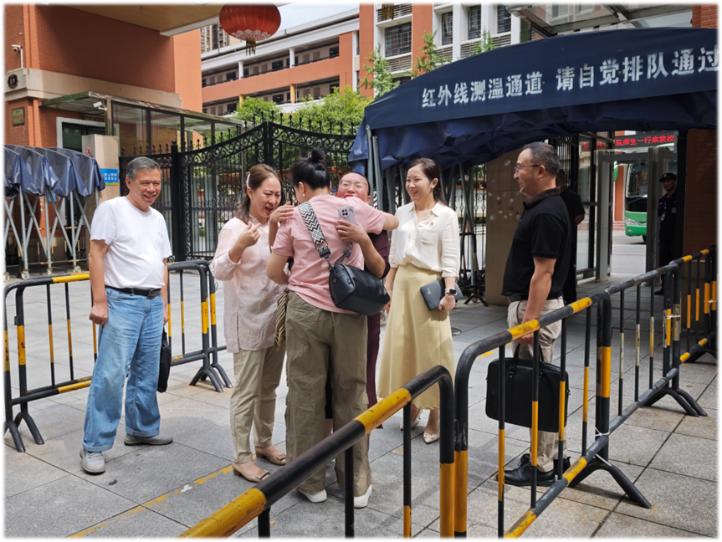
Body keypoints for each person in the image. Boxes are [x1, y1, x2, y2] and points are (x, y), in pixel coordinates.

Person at [266, 149, 398, 508]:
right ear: (330, 183)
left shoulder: (294, 215)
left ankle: (310, 482)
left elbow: (274, 271)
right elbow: (393, 222)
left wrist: (300, 281)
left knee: (305, 393)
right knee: (352, 393)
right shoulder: (354, 209)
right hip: (350, 310)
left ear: (301, 187)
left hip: (305, 313)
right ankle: (355, 483)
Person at [81, 157, 173, 475]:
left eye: (156, 183)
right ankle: (94, 445)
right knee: (110, 375)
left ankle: (141, 429)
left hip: (152, 303)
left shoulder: (157, 218)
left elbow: (162, 262)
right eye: (145, 182)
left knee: (147, 371)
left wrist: (164, 304)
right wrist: (99, 301)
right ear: (129, 181)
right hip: (121, 301)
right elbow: (96, 254)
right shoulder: (111, 209)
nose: (151, 189)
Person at [210, 165, 292, 483]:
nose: (272, 200)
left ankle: (264, 442)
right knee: (246, 391)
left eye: (277, 194)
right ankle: (241, 457)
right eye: (266, 194)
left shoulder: (279, 225)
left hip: (275, 320)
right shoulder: (235, 227)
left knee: (269, 388)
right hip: (247, 320)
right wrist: (239, 246)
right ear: (250, 192)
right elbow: (218, 270)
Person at [502, 142, 571, 487]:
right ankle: (553, 454)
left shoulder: (545, 212)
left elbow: (543, 273)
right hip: (537, 308)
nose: (515, 174)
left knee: (537, 389)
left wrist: (529, 321)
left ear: (540, 171)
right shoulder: (547, 206)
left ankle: (541, 465)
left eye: (520, 167)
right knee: (542, 384)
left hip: (536, 310)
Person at [377, 158, 460, 445]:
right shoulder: (402, 212)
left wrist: (450, 293)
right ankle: (412, 404)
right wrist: (388, 287)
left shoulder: (446, 215)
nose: (411, 185)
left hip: (429, 289)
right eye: (408, 180)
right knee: (404, 348)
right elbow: (395, 256)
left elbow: (451, 258)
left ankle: (435, 413)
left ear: (433, 182)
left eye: (417, 180)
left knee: (432, 351)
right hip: (402, 285)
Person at [324, 172, 391, 435]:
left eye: (358, 185)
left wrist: (362, 238)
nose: (351, 188)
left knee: (362, 371)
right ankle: (326, 439)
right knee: (327, 375)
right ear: (335, 192)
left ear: (368, 198)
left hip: (362, 310)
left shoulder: (375, 226)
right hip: (326, 307)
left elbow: (380, 270)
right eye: (345, 184)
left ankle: (359, 433)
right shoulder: (323, 218)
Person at [556, 170, 585, 304]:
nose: (557, 181)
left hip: (567, 241)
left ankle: (570, 300)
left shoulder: (572, 196)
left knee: (568, 272)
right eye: (555, 178)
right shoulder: (549, 196)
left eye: (560, 178)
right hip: (552, 241)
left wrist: (567, 226)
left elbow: (580, 215)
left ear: (565, 180)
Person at [656, 172, 677, 295]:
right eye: (664, 182)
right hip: (664, 238)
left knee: (675, 264)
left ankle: (676, 288)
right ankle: (665, 288)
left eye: (668, 181)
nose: (666, 183)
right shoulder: (662, 200)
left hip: (675, 238)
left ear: (675, 182)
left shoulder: (679, 198)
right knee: (663, 264)